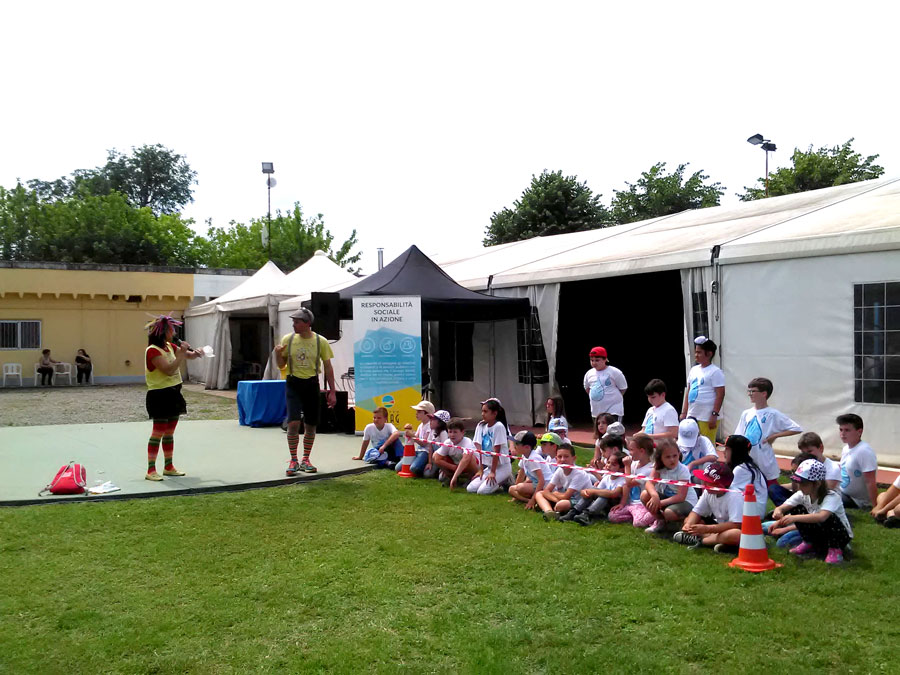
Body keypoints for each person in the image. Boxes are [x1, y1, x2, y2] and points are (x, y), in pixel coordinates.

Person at [274, 307, 336, 475]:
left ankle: (305, 459)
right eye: (293, 322)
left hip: (312, 384)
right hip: (293, 383)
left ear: (308, 323)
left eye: (297, 322)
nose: (293, 325)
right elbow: (281, 365)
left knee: (310, 424)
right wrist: (277, 354)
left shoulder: (320, 341)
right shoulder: (288, 339)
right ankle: (293, 460)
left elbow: (328, 367)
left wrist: (332, 391)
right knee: (293, 422)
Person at [143, 314, 201, 481]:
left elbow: (188, 355)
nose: (174, 333)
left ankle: (168, 466)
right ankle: (151, 470)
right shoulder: (153, 350)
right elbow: (168, 370)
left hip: (174, 393)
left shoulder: (169, 346)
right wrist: (181, 353)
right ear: (163, 332)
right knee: (158, 432)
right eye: (171, 330)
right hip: (159, 395)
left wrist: (197, 353)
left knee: (169, 432)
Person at [733, 377, 802, 503]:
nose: (750, 394)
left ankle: (785, 508)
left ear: (764, 393)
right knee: (746, 487)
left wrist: (774, 436)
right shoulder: (746, 413)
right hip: (748, 457)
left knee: (772, 488)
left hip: (764, 458)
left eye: (753, 391)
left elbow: (796, 428)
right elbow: (739, 435)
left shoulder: (772, 414)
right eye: (749, 391)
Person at [772, 459, 853, 564]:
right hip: (820, 533)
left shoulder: (832, 497)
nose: (799, 486)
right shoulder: (801, 494)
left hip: (840, 536)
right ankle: (809, 541)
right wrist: (778, 512)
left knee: (829, 517)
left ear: (817, 484)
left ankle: (835, 549)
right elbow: (783, 507)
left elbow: (821, 517)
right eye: (799, 483)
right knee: (796, 508)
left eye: (804, 484)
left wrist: (793, 518)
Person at [673, 462, 743, 552]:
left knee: (735, 534)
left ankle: (702, 541)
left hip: (733, 529)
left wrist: (707, 529)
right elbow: (696, 512)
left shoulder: (735, 496)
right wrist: (688, 525)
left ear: (720, 486)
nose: (704, 483)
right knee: (689, 520)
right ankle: (717, 542)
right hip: (718, 527)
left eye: (708, 482)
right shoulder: (708, 492)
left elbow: (736, 524)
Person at [457, 398, 512, 495]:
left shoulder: (499, 426)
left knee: (482, 491)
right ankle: (496, 480)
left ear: (494, 413)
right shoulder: (481, 426)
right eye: (482, 411)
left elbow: (496, 451)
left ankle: (504, 480)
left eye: (486, 411)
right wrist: (481, 470)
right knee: (470, 488)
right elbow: (480, 450)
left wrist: (493, 472)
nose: (482, 414)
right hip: (490, 467)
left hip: (502, 466)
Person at [643, 438, 697, 533]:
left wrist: (659, 503)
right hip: (669, 498)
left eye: (675, 456)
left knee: (669, 513)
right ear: (660, 458)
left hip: (686, 501)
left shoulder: (683, 470)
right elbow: (649, 483)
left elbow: (681, 497)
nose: (672, 459)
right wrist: (654, 496)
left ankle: (680, 525)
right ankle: (660, 521)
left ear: (679, 454)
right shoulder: (658, 467)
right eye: (667, 457)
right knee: (645, 494)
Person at [680, 336, 725, 445]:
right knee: (691, 443)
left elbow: (720, 394)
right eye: (696, 352)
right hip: (692, 414)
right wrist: (684, 412)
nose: (696, 355)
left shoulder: (715, 372)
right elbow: (688, 392)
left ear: (709, 354)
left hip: (706, 416)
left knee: (706, 444)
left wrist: (714, 414)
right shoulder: (693, 370)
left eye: (699, 352)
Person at [535, 444, 594, 521]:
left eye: (566, 456)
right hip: (564, 498)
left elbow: (566, 496)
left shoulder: (579, 473)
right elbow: (547, 490)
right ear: (556, 458)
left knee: (561, 504)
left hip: (580, 501)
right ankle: (549, 512)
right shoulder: (559, 470)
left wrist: (555, 494)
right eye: (560, 457)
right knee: (539, 493)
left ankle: (551, 507)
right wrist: (555, 497)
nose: (562, 460)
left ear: (574, 458)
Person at [608, 434, 656, 527]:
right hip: (631, 504)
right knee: (612, 515)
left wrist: (627, 466)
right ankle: (636, 516)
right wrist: (622, 503)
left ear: (642, 451)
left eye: (631, 450)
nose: (629, 453)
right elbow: (625, 485)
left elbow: (629, 483)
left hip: (641, 504)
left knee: (638, 523)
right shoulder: (633, 464)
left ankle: (656, 516)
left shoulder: (649, 469)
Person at [572, 451, 627, 525]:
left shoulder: (623, 480)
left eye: (613, 464)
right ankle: (575, 511)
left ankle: (588, 514)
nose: (608, 465)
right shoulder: (607, 477)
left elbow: (614, 493)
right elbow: (597, 490)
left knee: (604, 495)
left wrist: (593, 491)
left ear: (621, 469)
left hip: (614, 507)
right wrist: (585, 492)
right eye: (608, 462)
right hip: (603, 504)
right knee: (597, 491)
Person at [836, 414, 878, 509]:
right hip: (842, 492)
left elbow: (870, 481)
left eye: (847, 430)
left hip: (855, 500)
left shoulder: (864, 451)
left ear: (859, 432)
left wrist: (876, 506)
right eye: (841, 430)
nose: (842, 433)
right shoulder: (846, 448)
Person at [723, 434, 767, 516]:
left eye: (727, 449)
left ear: (736, 452)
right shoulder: (747, 466)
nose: (723, 452)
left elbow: (726, 492)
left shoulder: (741, 469)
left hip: (752, 514)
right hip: (753, 510)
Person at [509, 431, 553, 509]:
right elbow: (521, 475)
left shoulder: (533, 458)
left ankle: (534, 500)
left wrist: (532, 499)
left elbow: (542, 481)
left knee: (520, 487)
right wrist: (515, 493)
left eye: (517, 444)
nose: (515, 446)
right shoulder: (524, 456)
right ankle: (528, 500)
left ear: (527, 447)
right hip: (536, 484)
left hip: (546, 485)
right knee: (511, 489)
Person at [583, 346, 627, 422]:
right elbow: (587, 388)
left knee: (613, 429)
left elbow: (623, 388)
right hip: (597, 411)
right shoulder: (589, 373)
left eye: (597, 360)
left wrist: (613, 398)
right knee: (599, 429)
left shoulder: (615, 372)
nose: (594, 363)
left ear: (605, 359)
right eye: (592, 360)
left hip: (613, 411)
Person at [436, 418, 476, 487]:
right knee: (437, 455)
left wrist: (455, 475)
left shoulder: (467, 442)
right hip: (456, 465)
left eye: (455, 432)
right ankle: (450, 477)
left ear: (463, 432)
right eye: (450, 432)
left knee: (470, 458)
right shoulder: (447, 442)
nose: (452, 435)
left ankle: (471, 477)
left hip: (471, 467)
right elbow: (436, 458)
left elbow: (465, 460)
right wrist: (452, 467)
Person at [419, 410, 450, 478]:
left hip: (442, 459)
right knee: (426, 473)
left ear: (441, 423)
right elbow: (430, 448)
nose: (430, 421)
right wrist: (429, 463)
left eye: (433, 420)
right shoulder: (432, 431)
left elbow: (445, 452)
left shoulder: (443, 433)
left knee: (430, 475)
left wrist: (443, 467)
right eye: (430, 419)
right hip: (434, 458)